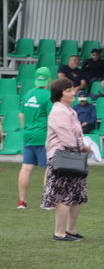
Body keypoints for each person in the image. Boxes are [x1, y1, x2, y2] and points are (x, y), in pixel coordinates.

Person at [41, 78, 92, 241]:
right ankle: (59, 232)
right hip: (62, 156)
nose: (73, 92)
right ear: (60, 94)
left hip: (72, 156)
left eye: (72, 89)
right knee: (63, 195)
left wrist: (81, 145)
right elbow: (68, 139)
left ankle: (70, 229)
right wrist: (83, 147)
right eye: (68, 90)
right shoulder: (59, 111)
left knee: (77, 194)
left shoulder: (69, 110)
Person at [17, 67, 52, 209]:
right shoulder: (49, 96)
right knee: (48, 169)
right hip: (42, 135)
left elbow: (21, 115)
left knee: (26, 168)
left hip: (28, 135)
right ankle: (47, 201)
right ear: (49, 80)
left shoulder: (28, 93)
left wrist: (26, 128)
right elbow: (51, 117)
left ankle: (22, 202)